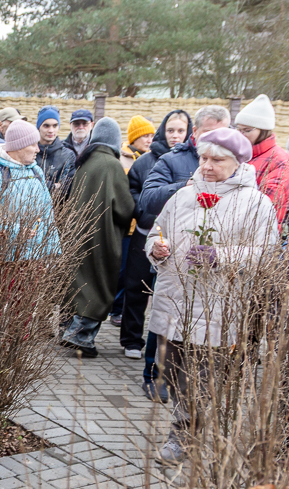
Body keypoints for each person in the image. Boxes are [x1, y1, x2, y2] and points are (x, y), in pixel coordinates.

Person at [146, 128, 278, 465]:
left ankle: (184, 435)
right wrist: (157, 249)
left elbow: (265, 253)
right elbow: (155, 232)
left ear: (236, 163)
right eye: (203, 158)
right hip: (175, 299)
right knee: (173, 371)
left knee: (200, 376)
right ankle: (192, 425)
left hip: (217, 305)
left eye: (216, 160)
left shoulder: (255, 202)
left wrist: (221, 255)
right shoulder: (183, 196)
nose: (206, 166)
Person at [124, 111, 191, 399]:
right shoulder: (148, 160)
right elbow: (136, 194)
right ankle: (131, 339)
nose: (175, 135)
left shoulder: (198, 161)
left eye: (181, 130)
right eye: (171, 130)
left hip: (180, 244)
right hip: (146, 233)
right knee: (137, 289)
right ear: (163, 131)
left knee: (166, 302)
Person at [60, 118, 135, 358]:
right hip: (102, 237)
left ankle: (72, 330)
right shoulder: (112, 165)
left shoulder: (86, 162)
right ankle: (79, 336)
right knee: (99, 286)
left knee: (80, 283)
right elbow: (124, 208)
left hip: (79, 235)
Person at [0, 119, 59, 258]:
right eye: (33, 144)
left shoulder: (37, 172)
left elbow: (48, 214)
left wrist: (53, 252)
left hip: (37, 260)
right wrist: (15, 232)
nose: (38, 149)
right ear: (19, 146)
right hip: (5, 261)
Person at [140, 105, 231, 220]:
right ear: (195, 131)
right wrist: (184, 186)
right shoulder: (170, 160)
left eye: (221, 133)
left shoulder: (236, 163)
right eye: (208, 133)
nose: (216, 139)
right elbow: (148, 201)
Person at [110, 115, 157, 328]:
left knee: (134, 274)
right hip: (124, 227)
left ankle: (121, 310)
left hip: (141, 226)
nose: (149, 140)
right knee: (121, 272)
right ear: (134, 138)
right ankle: (116, 309)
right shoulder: (123, 159)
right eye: (144, 136)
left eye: (151, 135)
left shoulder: (155, 160)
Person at [233, 94, 289, 227]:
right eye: (238, 130)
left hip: (257, 233)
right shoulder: (239, 155)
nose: (241, 135)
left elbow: (268, 206)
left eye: (247, 130)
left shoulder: (280, 161)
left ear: (263, 130)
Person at [35, 105, 76, 191]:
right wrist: (53, 186)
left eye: (55, 126)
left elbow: (66, 189)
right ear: (39, 127)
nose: (51, 130)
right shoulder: (29, 152)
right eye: (46, 126)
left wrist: (39, 183)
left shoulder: (67, 155)